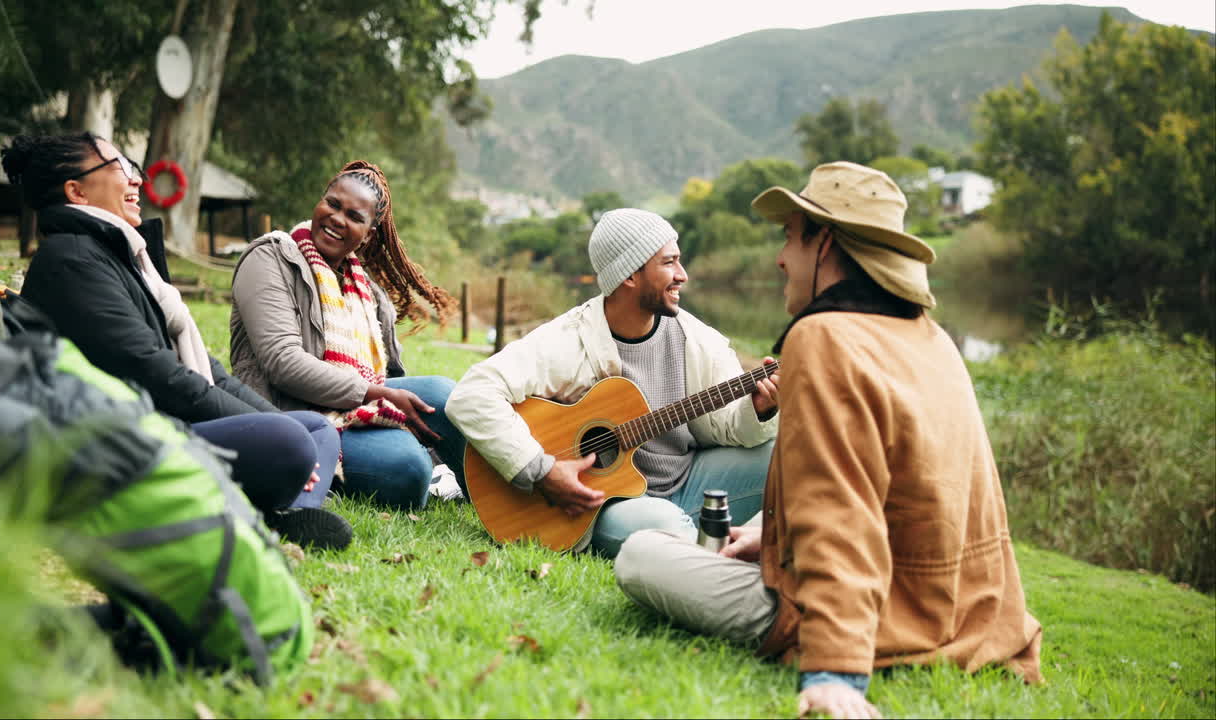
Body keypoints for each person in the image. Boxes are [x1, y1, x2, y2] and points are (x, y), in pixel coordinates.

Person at [613, 162, 1043, 719]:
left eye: (792, 236)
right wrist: (768, 536)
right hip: (967, 613)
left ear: (827, 244)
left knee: (641, 555)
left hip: (881, 618)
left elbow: (840, 509)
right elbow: (889, 484)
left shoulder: (823, 337)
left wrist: (834, 673)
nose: (781, 257)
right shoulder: (931, 340)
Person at [3, 132, 352, 550]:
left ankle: (267, 518)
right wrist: (277, 432)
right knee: (293, 442)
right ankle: (260, 516)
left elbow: (207, 370)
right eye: (120, 169)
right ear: (77, 191)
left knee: (317, 431)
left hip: (170, 422)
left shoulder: (124, 257)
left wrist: (271, 421)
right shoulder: (71, 261)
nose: (136, 180)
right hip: (124, 439)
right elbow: (156, 374)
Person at [446, 208, 779, 558]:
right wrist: (541, 469)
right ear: (630, 275)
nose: (682, 275)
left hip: (690, 479)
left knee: (784, 458)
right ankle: (699, 547)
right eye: (669, 263)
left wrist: (757, 410)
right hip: (611, 503)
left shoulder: (697, 340)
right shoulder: (568, 339)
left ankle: (713, 544)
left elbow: (728, 428)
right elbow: (472, 394)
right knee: (666, 526)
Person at [229, 160, 466, 510]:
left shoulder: (365, 288)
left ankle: (497, 499)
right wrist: (373, 393)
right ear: (319, 202)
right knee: (409, 470)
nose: (338, 219)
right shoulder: (271, 260)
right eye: (333, 204)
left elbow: (392, 377)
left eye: (355, 217)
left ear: (368, 233)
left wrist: (390, 406)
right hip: (292, 414)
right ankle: (421, 468)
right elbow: (283, 362)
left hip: (355, 408)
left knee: (447, 394)